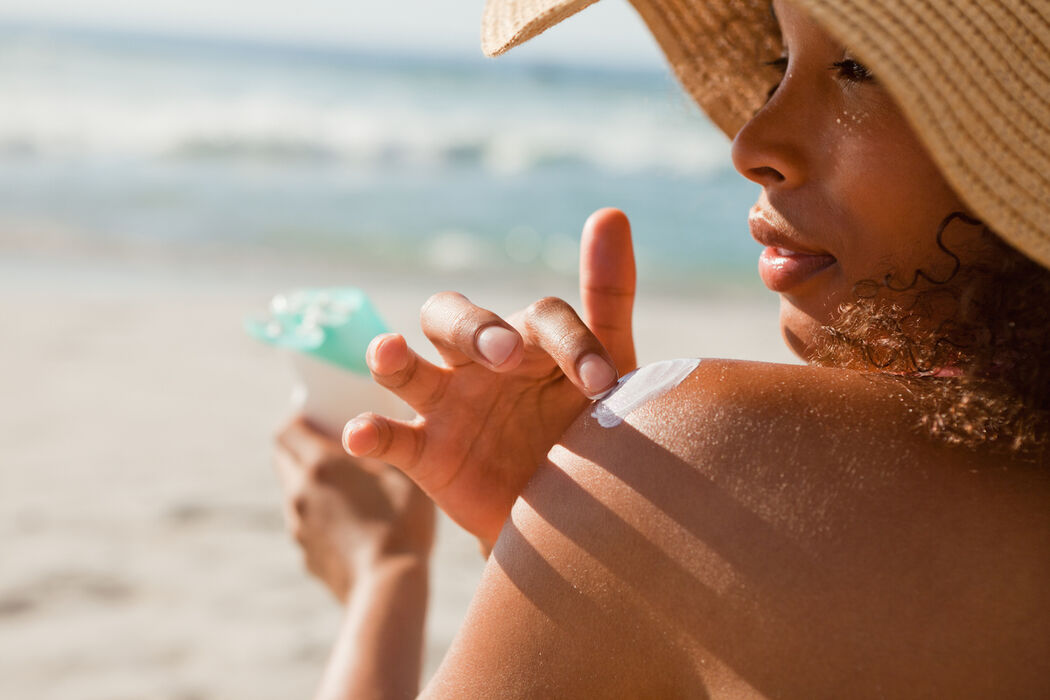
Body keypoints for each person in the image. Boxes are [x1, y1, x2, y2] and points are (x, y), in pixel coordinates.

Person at [275, 0, 1050, 696]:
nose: (753, 141)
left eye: (860, 67)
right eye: (781, 63)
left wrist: (387, 579)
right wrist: (566, 559)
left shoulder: (714, 461)